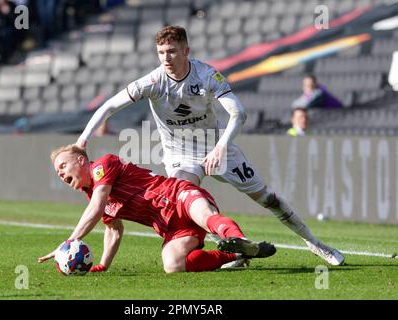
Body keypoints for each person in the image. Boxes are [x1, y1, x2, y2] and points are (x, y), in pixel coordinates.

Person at [75, 26, 345, 266]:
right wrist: (82, 139)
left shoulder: (206, 75)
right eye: (160, 52)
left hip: (217, 147)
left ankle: (315, 244)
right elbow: (109, 105)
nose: (166, 58)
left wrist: (220, 148)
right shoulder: (154, 82)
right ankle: (231, 248)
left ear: (186, 50)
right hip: (180, 156)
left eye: (171, 51)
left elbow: (239, 113)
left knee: (267, 199)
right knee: (185, 204)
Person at [38, 145, 277, 273]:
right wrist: (103, 264)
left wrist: (69, 243)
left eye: (63, 166)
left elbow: (98, 205)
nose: (60, 173)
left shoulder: (102, 165)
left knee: (206, 217)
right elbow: (114, 230)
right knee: (172, 265)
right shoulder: (92, 193)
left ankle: (239, 239)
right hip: (171, 228)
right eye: (57, 171)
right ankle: (238, 253)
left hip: (178, 195)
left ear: (81, 161)